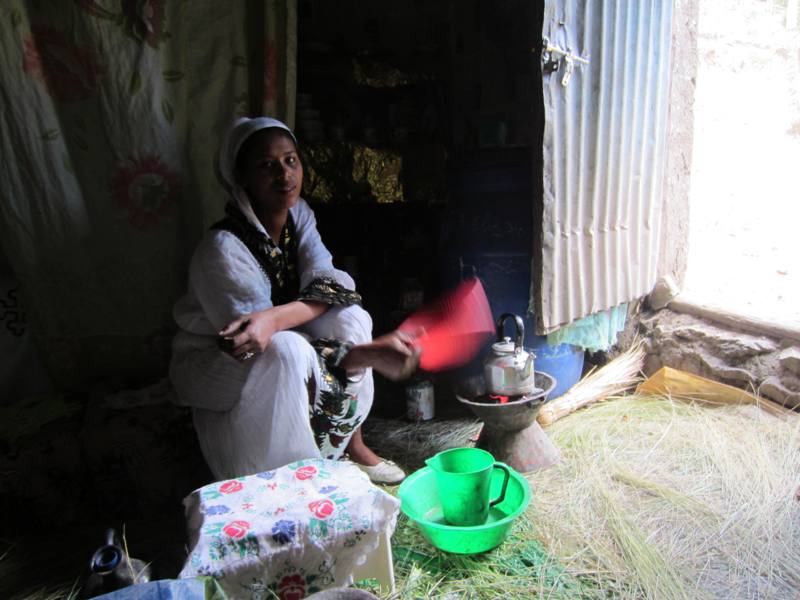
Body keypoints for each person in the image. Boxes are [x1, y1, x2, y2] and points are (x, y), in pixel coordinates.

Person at [169, 116, 418, 483]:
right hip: (220, 366)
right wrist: (347, 351)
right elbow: (256, 340)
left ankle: (351, 443)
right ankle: (297, 477)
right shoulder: (222, 249)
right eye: (266, 166)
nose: (284, 175)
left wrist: (274, 317)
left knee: (352, 318)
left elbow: (330, 283)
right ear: (243, 179)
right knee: (288, 349)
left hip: (280, 333)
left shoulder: (298, 215)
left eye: (290, 160)